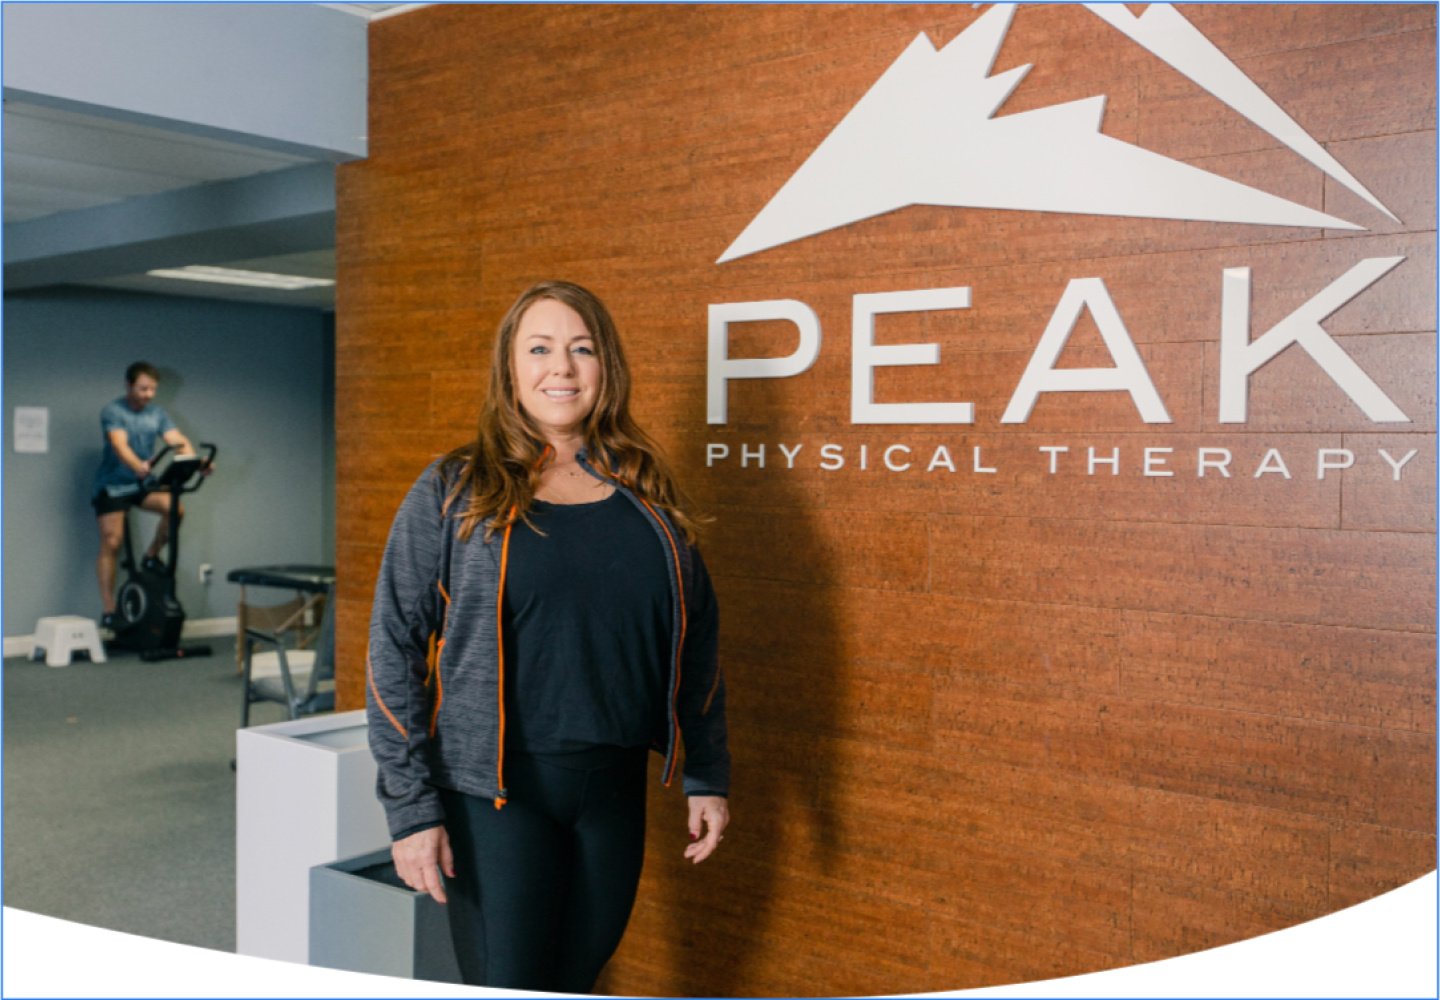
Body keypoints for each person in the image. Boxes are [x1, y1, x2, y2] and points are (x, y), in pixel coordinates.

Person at [366, 280, 730, 992]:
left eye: (581, 349)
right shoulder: (455, 489)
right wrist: (410, 811)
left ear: (606, 368)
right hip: (497, 796)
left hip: (612, 790)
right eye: (539, 348)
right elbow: (393, 649)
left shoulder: (647, 495)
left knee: (575, 980)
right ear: (510, 368)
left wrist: (708, 774)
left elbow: (699, 646)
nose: (560, 367)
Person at [92, 361, 200, 631]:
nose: (149, 394)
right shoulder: (113, 411)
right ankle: (109, 610)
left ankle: (151, 555)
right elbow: (119, 445)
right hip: (113, 485)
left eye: (152, 389)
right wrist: (136, 465)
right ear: (129, 386)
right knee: (112, 541)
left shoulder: (157, 414)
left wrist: (196, 462)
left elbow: (178, 440)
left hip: (142, 485)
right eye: (143, 388)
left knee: (175, 509)